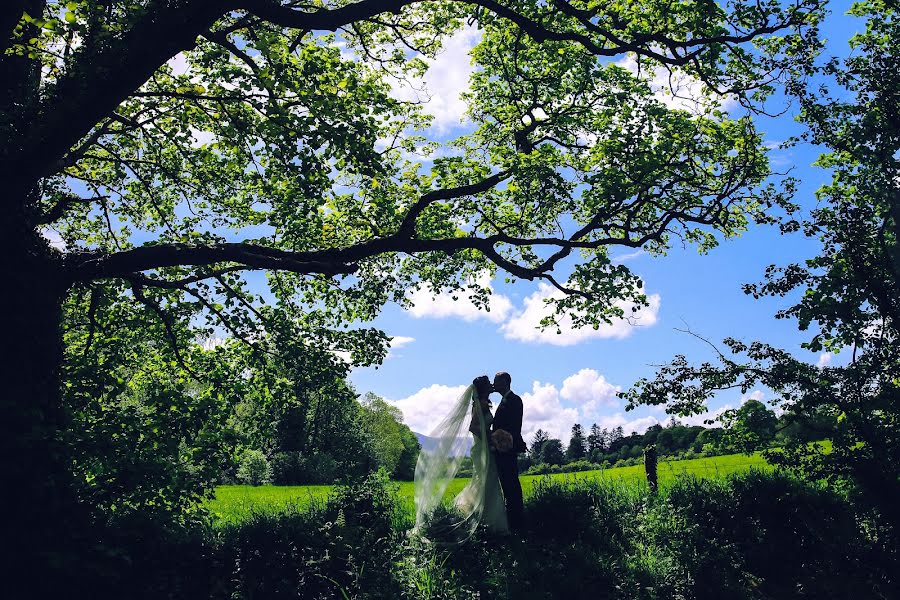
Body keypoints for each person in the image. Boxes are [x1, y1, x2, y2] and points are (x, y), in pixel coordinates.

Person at [412, 375, 509, 540]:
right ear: (484, 388)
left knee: (484, 481)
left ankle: (483, 517)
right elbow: (473, 427)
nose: (492, 385)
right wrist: (490, 437)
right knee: (487, 481)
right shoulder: (482, 405)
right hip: (482, 448)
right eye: (489, 384)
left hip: (483, 448)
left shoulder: (481, 403)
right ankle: (490, 522)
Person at [491, 371, 526, 531]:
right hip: (500, 450)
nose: (494, 384)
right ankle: (513, 522)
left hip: (508, 450)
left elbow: (514, 427)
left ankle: (517, 523)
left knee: (512, 486)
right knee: (507, 486)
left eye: (496, 381)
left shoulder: (514, 400)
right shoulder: (503, 401)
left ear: (505, 382)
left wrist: (502, 441)